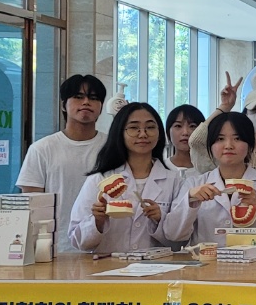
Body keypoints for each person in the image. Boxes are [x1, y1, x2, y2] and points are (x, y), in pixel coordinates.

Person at [69, 103, 194, 254]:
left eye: (150, 127)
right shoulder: (99, 179)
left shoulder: (175, 182)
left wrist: (160, 219)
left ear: (160, 133)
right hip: (108, 267)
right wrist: (97, 222)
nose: (143, 134)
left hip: (156, 268)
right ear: (120, 133)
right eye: (134, 128)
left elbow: (180, 242)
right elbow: (77, 241)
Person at [18, 74, 108, 255]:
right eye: (78, 97)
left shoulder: (112, 147)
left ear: (101, 107)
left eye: (93, 98)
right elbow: (31, 204)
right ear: (63, 105)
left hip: (104, 248)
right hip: (55, 249)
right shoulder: (42, 149)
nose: (86, 102)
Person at [186, 110, 256, 247]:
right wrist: (189, 201)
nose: (229, 145)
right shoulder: (194, 184)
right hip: (206, 259)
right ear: (210, 145)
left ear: (250, 145)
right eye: (220, 139)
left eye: (237, 138)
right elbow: (174, 235)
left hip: (254, 260)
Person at [164, 104, 205, 175]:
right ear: (168, 132)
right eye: (178, 126)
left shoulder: (209, 170)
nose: (185, 132)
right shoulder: (160, 168)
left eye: (192, 126)